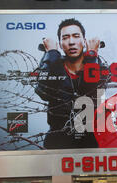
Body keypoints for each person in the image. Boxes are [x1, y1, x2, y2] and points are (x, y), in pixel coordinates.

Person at [34, 18, 104, 149]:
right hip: (57, 139)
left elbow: (91, 92)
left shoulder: (96, 63)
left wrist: (92, 56)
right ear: (59, 44)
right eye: (65, 38)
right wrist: (52, 54)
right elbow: (44, 92)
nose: (71, 42)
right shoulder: (52, 63)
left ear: (84, 41)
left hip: (91, 139)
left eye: (76, 36)